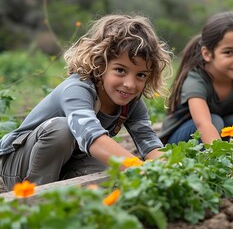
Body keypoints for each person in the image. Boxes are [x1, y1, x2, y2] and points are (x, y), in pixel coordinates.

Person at [0, 14, 173, 190]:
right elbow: (93, 138)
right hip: (19, 166)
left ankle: (61, 192)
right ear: (100, 65)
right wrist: (141, 170)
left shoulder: (131, 102)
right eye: (120, 70)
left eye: (141, 75)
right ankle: (36, 197)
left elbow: (149, 141)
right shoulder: (78, 89)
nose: (129, 84)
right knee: (62, 129)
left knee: (110, 173)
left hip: (69, 161)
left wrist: (168, 170)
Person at [159, 11, 233, 144]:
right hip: (182, 139)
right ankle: (209, 161)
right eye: (229, 52)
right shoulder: (196, 80)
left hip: (216, 135)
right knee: (214, 121)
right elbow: (203, 124)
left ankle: (230, 156)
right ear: (207, 54)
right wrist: (219, 160)